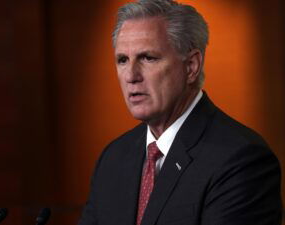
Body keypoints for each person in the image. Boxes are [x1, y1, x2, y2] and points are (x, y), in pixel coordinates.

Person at [78, 0, 282, 225]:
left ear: (191, 66)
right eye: (122, 60)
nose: (131, 75)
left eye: (148, 58)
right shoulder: (113, 158)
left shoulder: (241, 161)